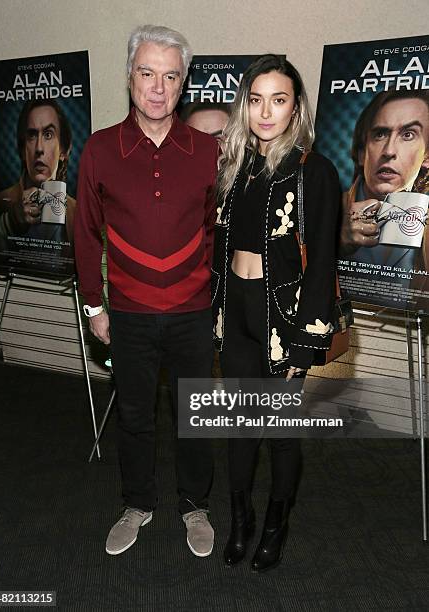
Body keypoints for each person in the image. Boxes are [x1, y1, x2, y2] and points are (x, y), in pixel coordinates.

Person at [74, 25, 218, 558]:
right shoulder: (99, 149)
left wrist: (214, 304)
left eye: (171, 76)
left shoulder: (207, 151)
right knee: (134, 416)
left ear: (183, 83)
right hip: (128, 315)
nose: (158, 88)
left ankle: (195, 505)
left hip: (193, 312)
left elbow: (211, 229)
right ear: (130, 76)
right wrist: (95, 306)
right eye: (147, 73)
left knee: (193, 415)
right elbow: (85, 234)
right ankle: (136, 503)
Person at [212, 54, 340, 572]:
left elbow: (323, 262)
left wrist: (306, 344)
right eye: (256, 99)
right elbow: (219, 249)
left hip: (284, 317)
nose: (266, 111)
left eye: (279, 99)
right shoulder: (234, 165)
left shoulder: (316, 172)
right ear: (246, 105)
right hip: (236, 314)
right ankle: (239, 519)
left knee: (282, 430)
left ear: (296, 108)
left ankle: (274, 524)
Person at [340, 90, 429, 271]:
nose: (389, 151)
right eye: (380, 134)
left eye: (408, 135)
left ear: (427, 157)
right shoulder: (326, 211)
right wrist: (331, 240)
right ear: (361, 153)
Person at [0, 99, 75, 252]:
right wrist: (9, 223)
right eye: (31, 136)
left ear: (64, 150)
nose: (39, 148)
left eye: (48, 135)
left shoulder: (77, 212)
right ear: (22, 149)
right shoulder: (0, 202)